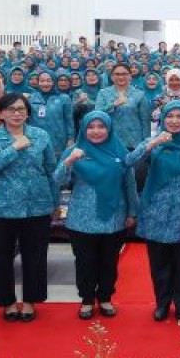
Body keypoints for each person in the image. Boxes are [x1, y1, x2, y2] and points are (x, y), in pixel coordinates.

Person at [124, 101, 180, 321]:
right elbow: (129, 162)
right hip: (156, 211)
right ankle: (162, 302)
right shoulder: (154, 142)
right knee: (159, 261)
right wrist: (153, 144)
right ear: (162, 118)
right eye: (170, 116)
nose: (174, 121)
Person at [0, 92, 58, 322]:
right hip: (0, 208)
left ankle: (31, 301)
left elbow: (50, 170)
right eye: (11, 109)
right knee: (2, 257)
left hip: (37, 206)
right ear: (0, 113)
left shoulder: (41, 135)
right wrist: (14, 149)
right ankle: (8, 302)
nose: (17, 113)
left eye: (21, 109)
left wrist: (54, 202)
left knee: (35, 256)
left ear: (28, 113)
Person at [56, 111, 139, 319]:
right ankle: (86, 299)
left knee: (109, 261)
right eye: (91, 127)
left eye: (101, 127)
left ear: (109, 129)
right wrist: (68, 162)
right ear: (84, 129)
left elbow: (129, 183)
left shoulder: (119, 151)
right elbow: (57, 181)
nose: (96, 131)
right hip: (82, 218)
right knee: (85, 261)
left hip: (114, 216)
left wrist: (132, 211)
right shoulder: (74, 151)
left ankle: (105, 298)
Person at [95, 63, 151, 151]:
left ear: (130, 76)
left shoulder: (139, 94)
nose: (121, 77)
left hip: (134, 142)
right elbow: (97, 114)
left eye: (124, 74)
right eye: (117, 74)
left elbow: (145, 121)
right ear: (112, 77)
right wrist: (113, 105)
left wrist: (146, 143)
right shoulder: (103, 93)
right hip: (110, 140)